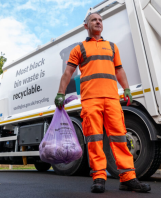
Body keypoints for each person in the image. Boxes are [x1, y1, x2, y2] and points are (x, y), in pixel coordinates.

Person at [54, 12, 151, 193]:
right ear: (86, 26)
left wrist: (127, 89)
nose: (98, 22)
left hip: (112, 99)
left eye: (100, 20)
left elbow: (119, 70)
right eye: (94, 20)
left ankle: (128, 178)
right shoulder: (79, 49)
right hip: (91, 100)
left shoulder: (112, 47)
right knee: (95, 139)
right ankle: (99, 177)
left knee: (120, 138)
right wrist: (60, 93)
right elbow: (68, 73)